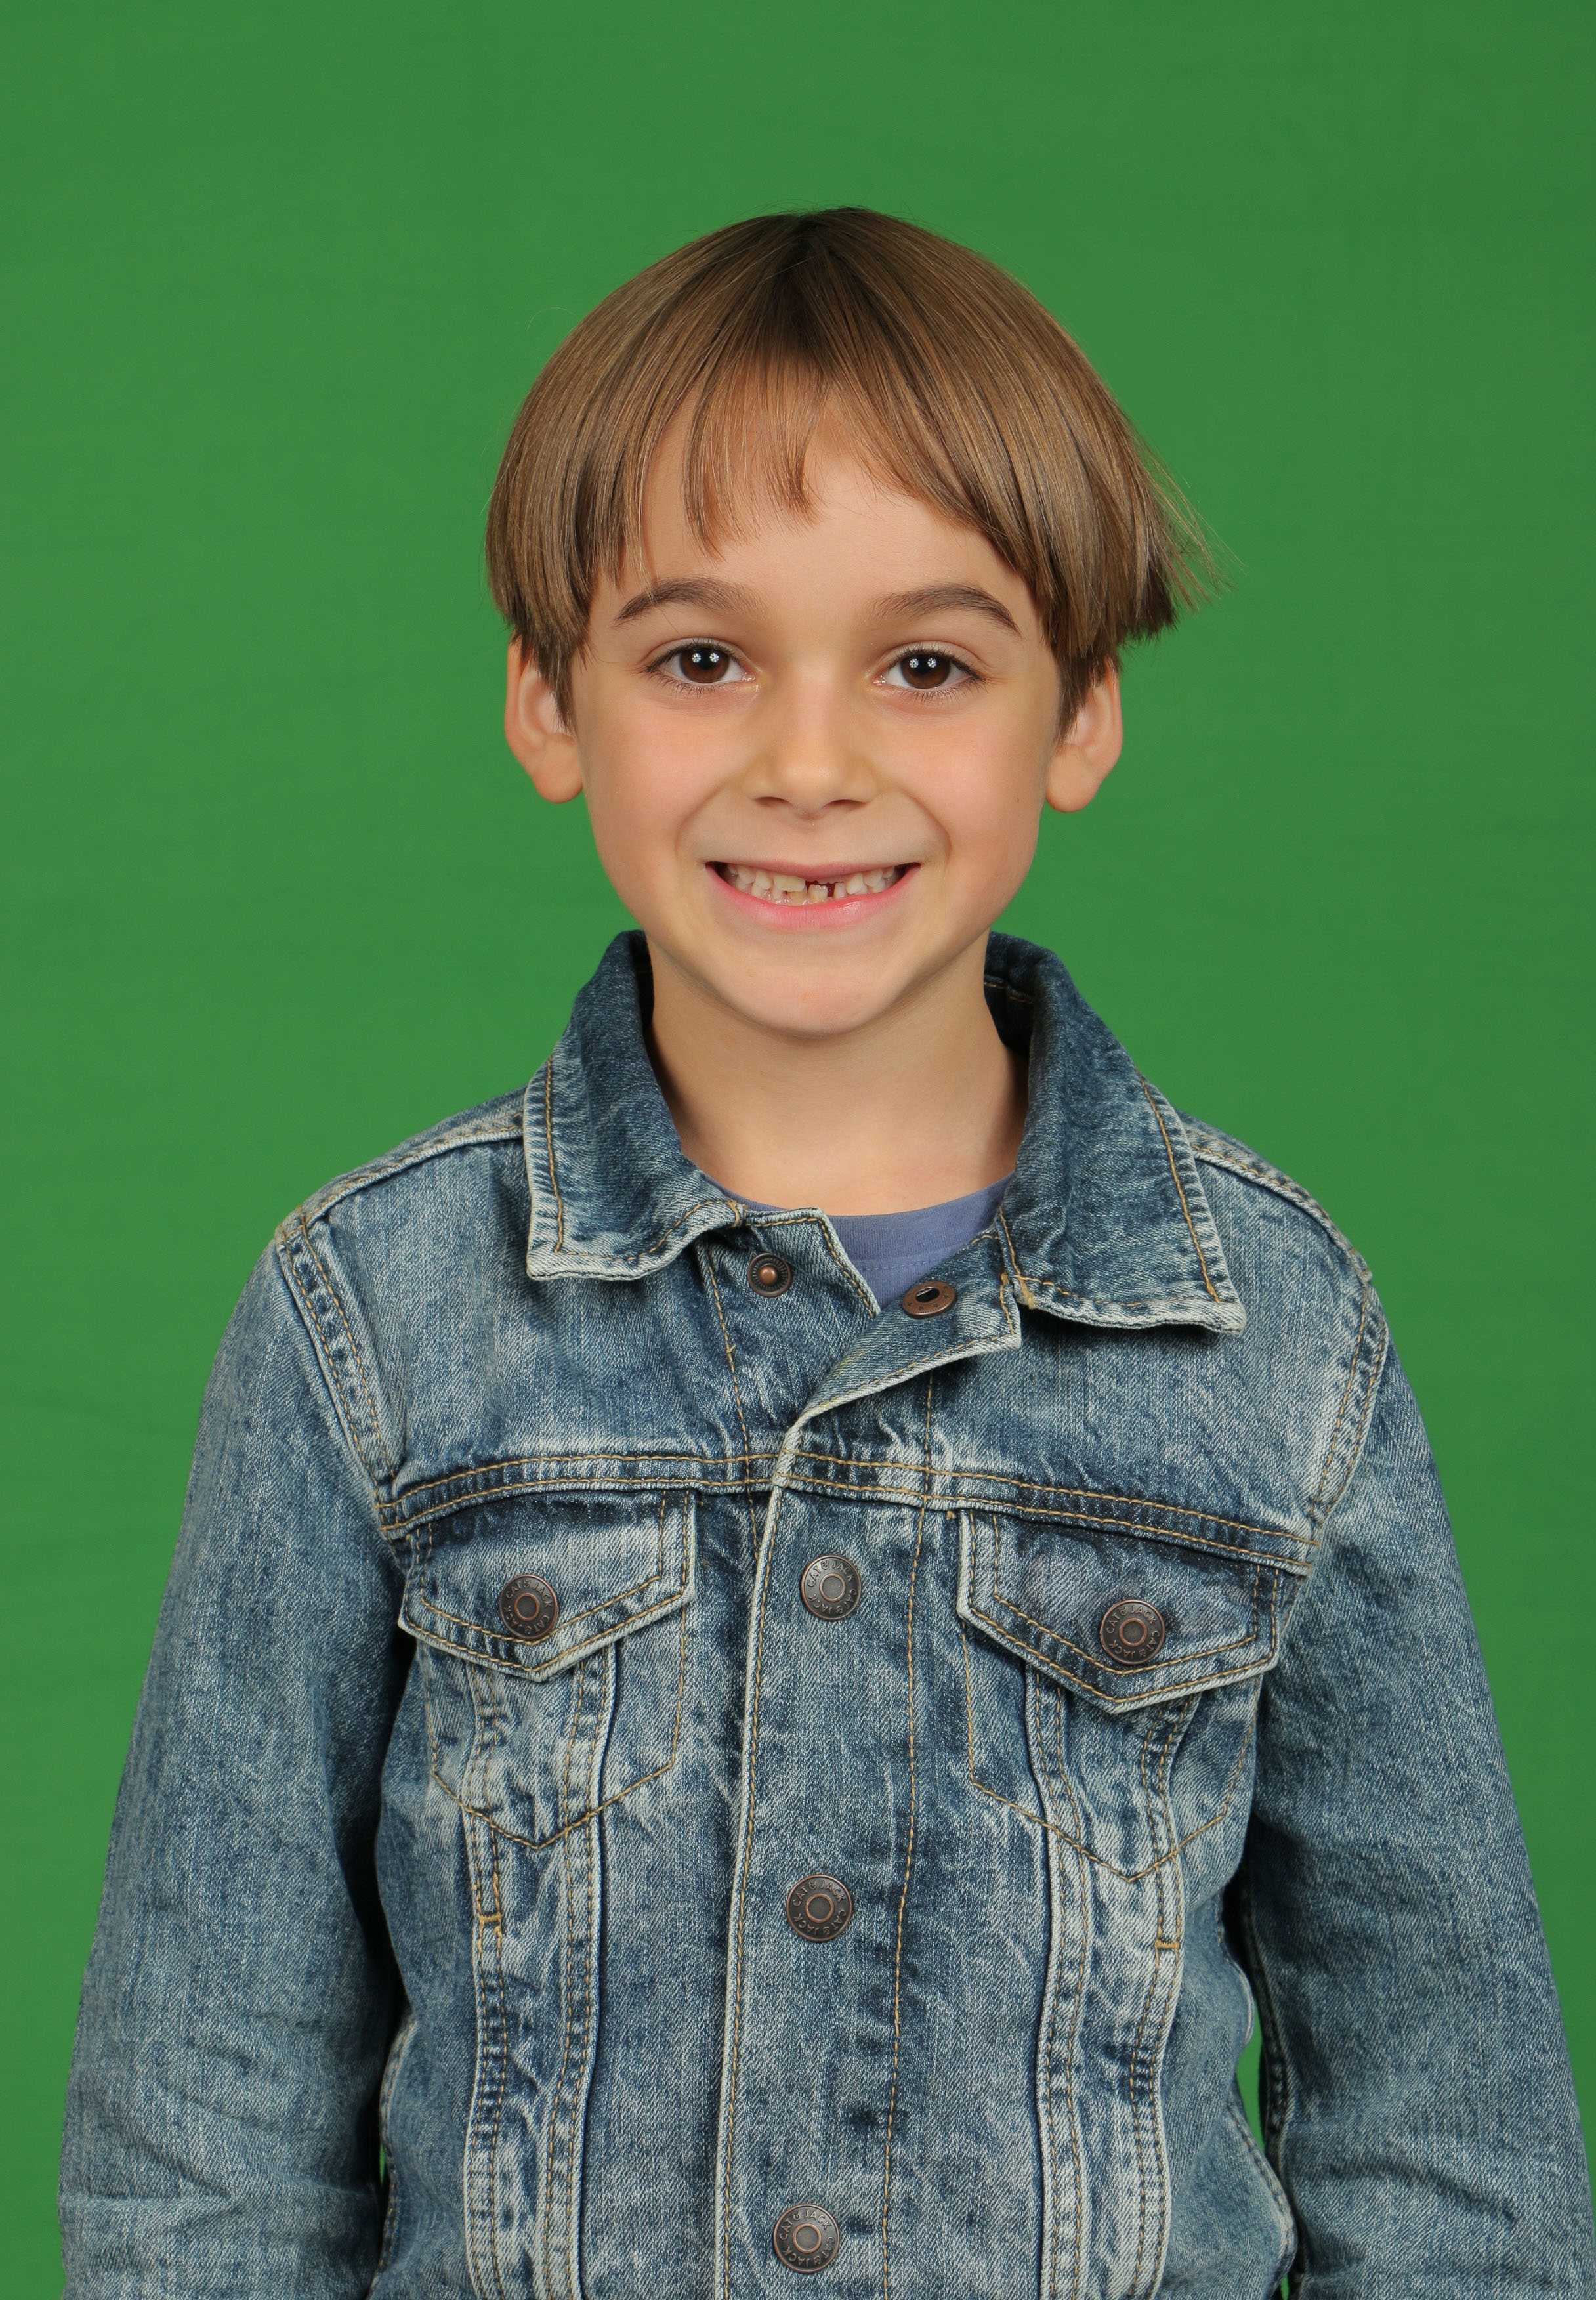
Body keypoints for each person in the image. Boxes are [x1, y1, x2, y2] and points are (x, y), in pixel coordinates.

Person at [60, 209, 1592, 2297]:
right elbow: (203, 2141)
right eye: (701, 659)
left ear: (1081, 713)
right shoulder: (371, 1316)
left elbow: (1448, 2145)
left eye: (926, 665)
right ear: (548, 704)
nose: (809, 763)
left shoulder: (1274, 1328)